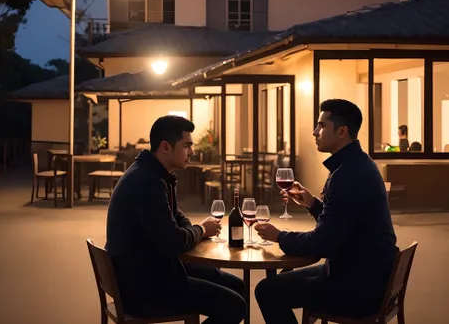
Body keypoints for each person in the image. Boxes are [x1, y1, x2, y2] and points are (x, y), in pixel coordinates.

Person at [255, 99, 397, 324]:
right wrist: (312, 203)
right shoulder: (357, 164)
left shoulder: (348, 174)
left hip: (357, 288)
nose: (314, 132)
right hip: (365, 272)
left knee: (267, 290)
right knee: (283, 279)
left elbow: (323, 243)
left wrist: (279, 236)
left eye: (321, 126)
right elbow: (343, 221)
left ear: (342, 131)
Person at [105, 115, 246, 324]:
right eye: (187, 146)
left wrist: (193, 230)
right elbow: (174, 242)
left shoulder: (156, 174)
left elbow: (178, 219)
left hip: (154, 269)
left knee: (236, 286)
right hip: (145, 288)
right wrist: (201, 230)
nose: (192, 152)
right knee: (234, 306)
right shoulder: (148, 182)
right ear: (165, 147)